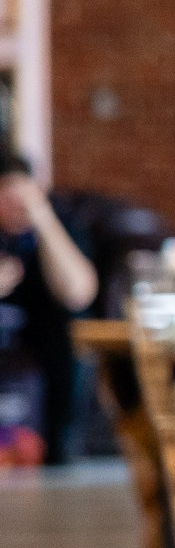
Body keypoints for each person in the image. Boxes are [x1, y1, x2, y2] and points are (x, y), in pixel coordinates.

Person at [0, 150, 101, 464]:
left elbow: (79, 292)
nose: (16, 205)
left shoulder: (59, 222)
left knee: (70, 328)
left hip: (43, 346)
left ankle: (60, 452)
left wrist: (43, 219)